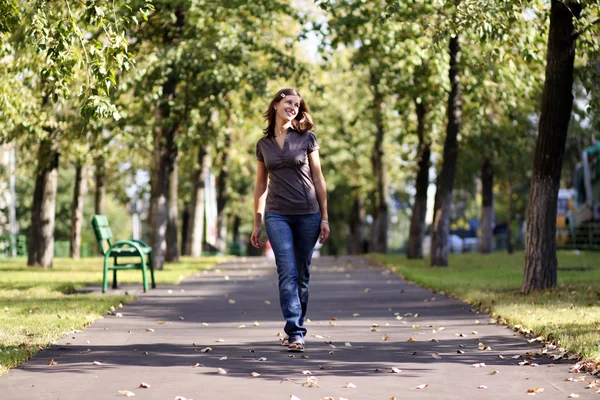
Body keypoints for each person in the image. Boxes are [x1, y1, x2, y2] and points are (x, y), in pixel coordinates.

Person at [250, 88, 330, 353]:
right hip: (277, 214)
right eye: (288, 102)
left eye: (297, 104)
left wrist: (325, 218)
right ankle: (295, 332)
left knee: (302, 275)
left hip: (308, 213)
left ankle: (296, 327)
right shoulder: (263, 145)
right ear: (275, 105)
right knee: (287, 271)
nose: (293, 107)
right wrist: (257, 222)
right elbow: (261, 185)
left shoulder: (307, 138)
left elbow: (318, 178)